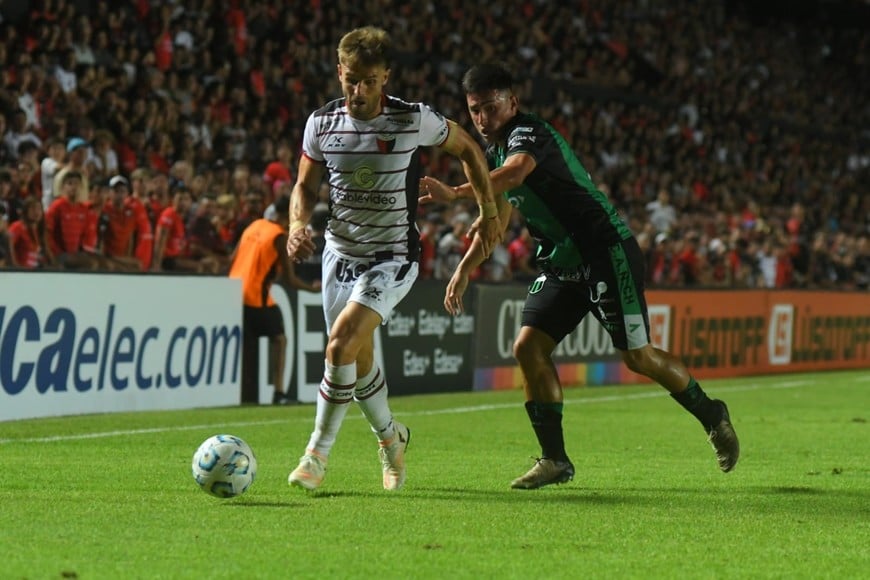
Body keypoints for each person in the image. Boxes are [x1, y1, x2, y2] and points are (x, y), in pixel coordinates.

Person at [419, 62, 739, 489]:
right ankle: (555, 460)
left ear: (512, 102)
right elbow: (497, 219)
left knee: (637, 357)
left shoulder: (528, 133)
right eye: (474, 110)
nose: (481, 119)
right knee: (528, 347)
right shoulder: (490, 156)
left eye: (490, 107)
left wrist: (455, 193)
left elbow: (514, 174)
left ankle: (712, 414)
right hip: (563, 263)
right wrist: (462, 270)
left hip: (606, 251)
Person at [284, 26, 500, 492]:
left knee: (341, 345)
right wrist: (296, 225)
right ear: (339, 72)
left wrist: (487, 210)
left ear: (385, 76)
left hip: (392, 256)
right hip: (338, 255)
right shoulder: (321, 124)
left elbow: (467, 147)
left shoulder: (412, 119)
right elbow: (304, 184)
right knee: (356, 360)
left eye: (368, 81)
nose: (358, 91)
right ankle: (391, 439)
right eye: (350, 80)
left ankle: (316, 455)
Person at [229, 194, 321, 406]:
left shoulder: (254, 225)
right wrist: (314, 290)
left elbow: (233, 259)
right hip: (255, 298)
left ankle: (245, 394)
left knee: (248, 343)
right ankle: (279, 392)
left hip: (233, 295)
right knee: (279, 339)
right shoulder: (279, 236)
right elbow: (290, 280)